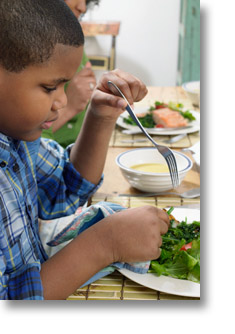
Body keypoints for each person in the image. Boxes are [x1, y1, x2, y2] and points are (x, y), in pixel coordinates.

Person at [0, 0, 170, 300]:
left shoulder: (17, 138)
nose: (63, 101)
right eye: (50, 87)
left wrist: (99, 116)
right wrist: (105, 244)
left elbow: (65, 188)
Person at [42, 0, 99, 148]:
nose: (83, 7)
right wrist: (69, 108)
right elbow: (27, 136)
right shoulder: (32, 48)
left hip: (80, 147)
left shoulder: (71, 40)